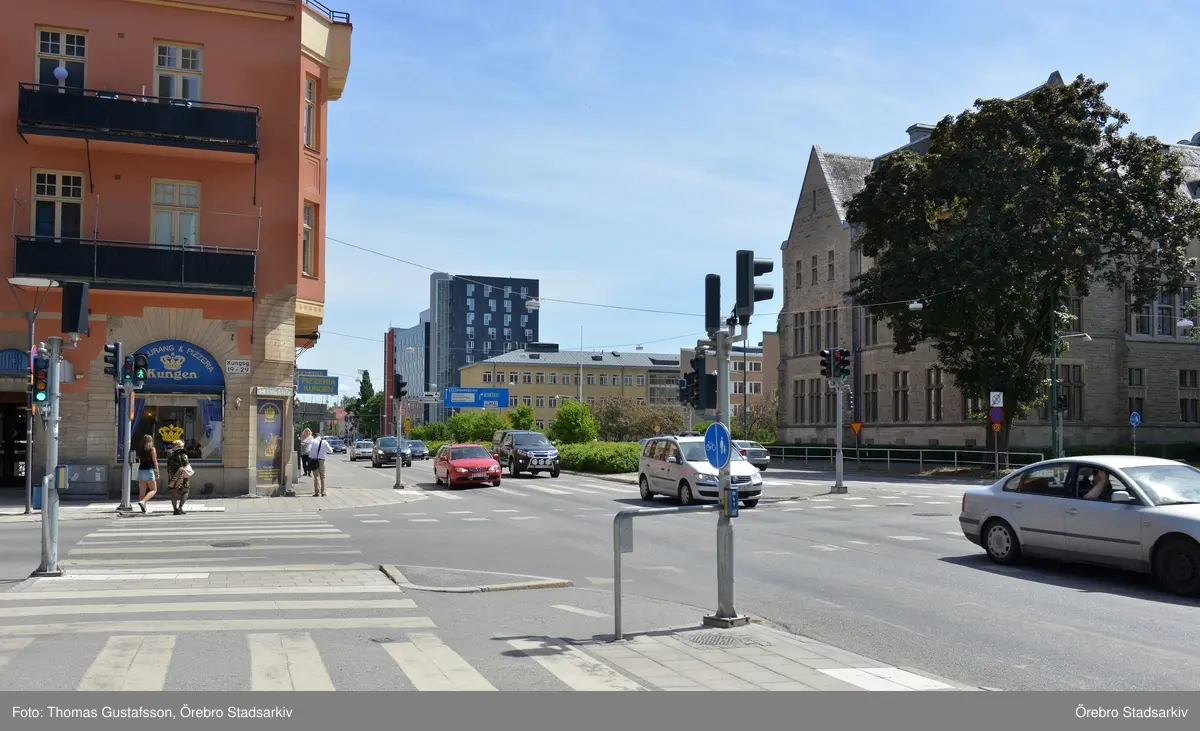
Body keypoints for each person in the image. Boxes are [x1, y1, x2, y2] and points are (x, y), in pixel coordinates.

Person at [166, 439, 192, 515]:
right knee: (186, 490)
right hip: (181, 474)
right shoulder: (183, 453)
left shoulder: (170, 453)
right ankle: (180, 508)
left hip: (172, 474)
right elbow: (186, 463)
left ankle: (175, 510)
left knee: (174, 492)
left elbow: (168, 464)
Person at [135, 434, 159, 513]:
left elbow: (139, 460)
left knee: (142, 492)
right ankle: (143, 502)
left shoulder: (141, 449)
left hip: (141, 470)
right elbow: (155, 461)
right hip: (149, 470)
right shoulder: (152, 449)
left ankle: (143, 508)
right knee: (153, 489)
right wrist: (157, 471)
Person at [309, 432, 331, 497]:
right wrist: (324, 451)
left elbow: (307, 450)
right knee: (323, 477)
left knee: (316, 476)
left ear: (314, 436)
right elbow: (330, 451)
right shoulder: (324, 442)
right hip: (322, 460)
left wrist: (312, 453)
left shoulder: (312, 441)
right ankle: (323, 492)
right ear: (320, 436)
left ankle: (317, 492)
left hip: (314, 460)